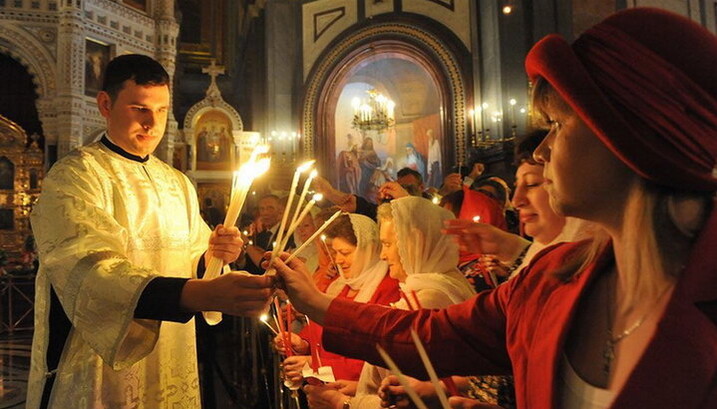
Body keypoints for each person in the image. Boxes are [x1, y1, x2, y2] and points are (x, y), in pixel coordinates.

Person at [272, 9, 717, 409]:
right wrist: (317, 303)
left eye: (558, 125)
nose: (540, 152)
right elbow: (434, 334)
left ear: (625, 137)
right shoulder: (553, 276)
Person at [28, 54, 274, 409]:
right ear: (105, 104)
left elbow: (195, 259)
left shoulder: (177, 183)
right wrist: (196, 295)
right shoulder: (76, 176)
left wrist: (216, 255)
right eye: (139, 109)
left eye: (161, 111)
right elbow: (90, 269)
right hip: (101, 359)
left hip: (172, 349)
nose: (152, 124)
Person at [302, 197, 475, 409]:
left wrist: (346, 403)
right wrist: (359, 388)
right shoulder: (445, 283)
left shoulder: (426, 301)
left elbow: (406, 400)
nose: (382, 255)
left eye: (387, 244)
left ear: (414, 241)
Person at [275, 214, 400, 384]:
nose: (338, 260)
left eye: (345, 253)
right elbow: (320, 329)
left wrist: (316, 364)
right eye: (334, 253)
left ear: (368, 249)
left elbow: (374, 359)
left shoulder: (389, 289)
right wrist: (303, 343)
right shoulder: (338, 285)